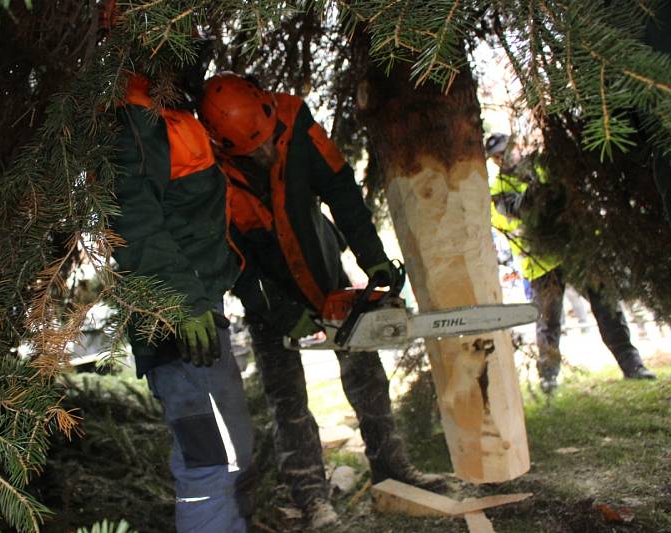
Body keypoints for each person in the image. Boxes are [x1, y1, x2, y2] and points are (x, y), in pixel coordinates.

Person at [199, 72, 444, 527]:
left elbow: (341, 190)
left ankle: (392, 468)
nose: (263, 151)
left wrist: (373, 258)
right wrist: (277, 310)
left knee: (366, 373)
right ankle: (310, 496)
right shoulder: (209, 171)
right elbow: (230, 258)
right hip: (268, 292)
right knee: (288, 399)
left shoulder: (294, 118)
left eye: (265, 140)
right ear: (224, 144)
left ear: (265, 106)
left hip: (324, 267)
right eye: (251, 149)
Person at [110, 72, 255, 532]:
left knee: (227, 452)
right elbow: (132, 216)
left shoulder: (166, 112)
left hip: (195, 311)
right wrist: (181, 300)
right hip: (177, 321)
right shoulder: (134, 114)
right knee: (212, 459)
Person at [485, 133, 656, 392]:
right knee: (548, 322)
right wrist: (539, 191)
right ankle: (548, 378)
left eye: (504, 151)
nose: (502, 158)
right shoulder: (497, 190)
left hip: (575, 250)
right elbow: (517, 211)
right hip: (540, 264)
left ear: (516, 146)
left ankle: (633, 365)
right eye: (496, 156)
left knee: (607, 308)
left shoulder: (544, 165)